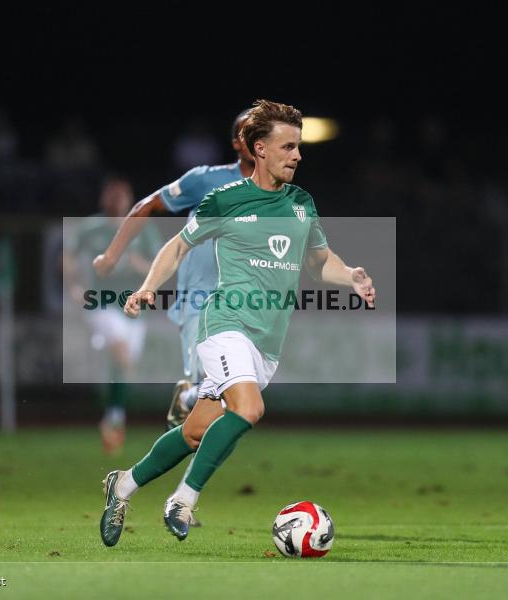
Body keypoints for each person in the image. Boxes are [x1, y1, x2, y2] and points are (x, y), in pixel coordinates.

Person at [98, 99, 376, 546]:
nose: (297, 155)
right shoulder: (225, 199)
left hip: (266, 344)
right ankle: (183, 500)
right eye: (288, 146)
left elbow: (320, 262)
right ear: (260, 149)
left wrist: (351, 277)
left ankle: (123, 484)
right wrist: (148, 286)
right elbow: (177, 247)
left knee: (194, 432)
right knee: (248, 410)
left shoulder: (302, 204)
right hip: (223, 323)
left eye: (299, 147)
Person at [92, 109, 255, 430]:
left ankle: (188, 402)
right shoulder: (206, 180)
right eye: (254, 133)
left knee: (233, 400)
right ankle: (184, 406)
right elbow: (147, 206)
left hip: (246, 302)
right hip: (202, 298)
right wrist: (111, 256)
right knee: (221, 393)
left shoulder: (281, 194)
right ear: (238, 142)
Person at [64, 174, 162, 455]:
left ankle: (113, 417)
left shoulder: (143, 229)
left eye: (122, 194)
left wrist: (136, 263)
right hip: (101, 304)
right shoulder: (90, 228)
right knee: (120, 353)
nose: (116, 199)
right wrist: (75, 287)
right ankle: (115, 413)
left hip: (133, 309)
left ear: (131, 198)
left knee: (122, 366)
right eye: (111, 193)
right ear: (103, 197)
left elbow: (159, 267)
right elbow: (67, 258)